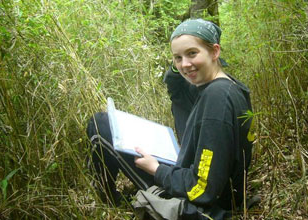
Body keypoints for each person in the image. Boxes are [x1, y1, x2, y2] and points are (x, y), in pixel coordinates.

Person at [87, 18, 254, 219]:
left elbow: (203, 188)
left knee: (100, 127)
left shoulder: (215, 100)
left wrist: (156, 170)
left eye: (192, 53)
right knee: (106, 121)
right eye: (177, 57)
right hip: (200, 178)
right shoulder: (226, 86)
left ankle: (108, 198)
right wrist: (183, 62)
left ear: (215, 51)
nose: (185, 64)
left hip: (198, 201)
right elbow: (176, 89)